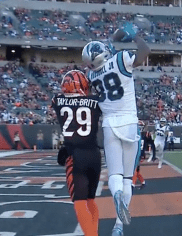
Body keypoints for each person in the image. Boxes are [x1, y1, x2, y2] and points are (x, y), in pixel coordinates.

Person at [82, 22, 150, 236]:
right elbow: (145, 52)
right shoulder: (121, 59)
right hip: (129, 122)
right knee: (128, 177)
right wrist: (134, 36)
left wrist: (113, 42)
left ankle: (116, 193)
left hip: (109, 124)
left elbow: (95, 65)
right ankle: (118, 226)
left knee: (115, 174)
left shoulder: (91, 76)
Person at [52, 70, 102, 236]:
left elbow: (60, 97)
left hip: (75, 156)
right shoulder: (96, 101)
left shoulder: (57, 101)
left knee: (80, 203)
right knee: (90, 201)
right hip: (94, 154)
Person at [132, 120, 146, 190]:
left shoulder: (142, 135)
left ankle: (133, 184)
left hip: (138, 154)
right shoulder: (142, 134)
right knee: (136, 171)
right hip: (137, 153)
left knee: (134, 170)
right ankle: (142, 182)